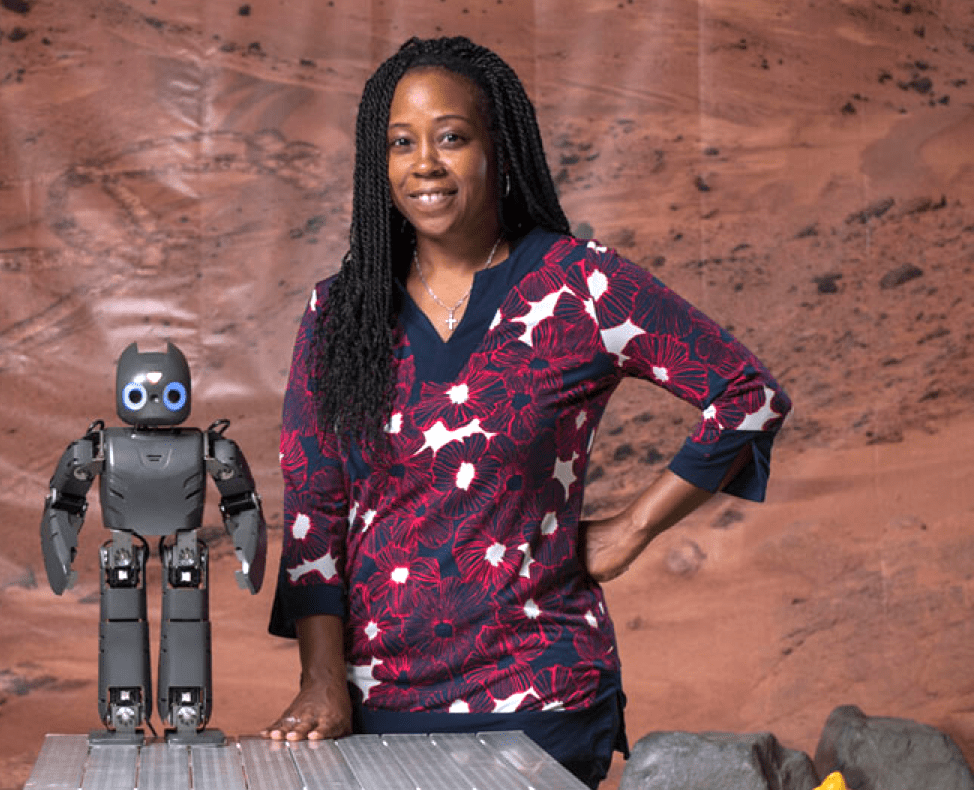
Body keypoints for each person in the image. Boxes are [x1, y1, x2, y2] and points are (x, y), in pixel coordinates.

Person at [261, 35, 791, 789]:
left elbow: (745, 394)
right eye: (400, 144)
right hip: (378, 701)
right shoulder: (339, 311)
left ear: (498, 148)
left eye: (451, 138)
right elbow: (316, 504)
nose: (425, 165)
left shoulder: (578, 286)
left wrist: (634, 528)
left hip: (539, 694)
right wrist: (321, 678)